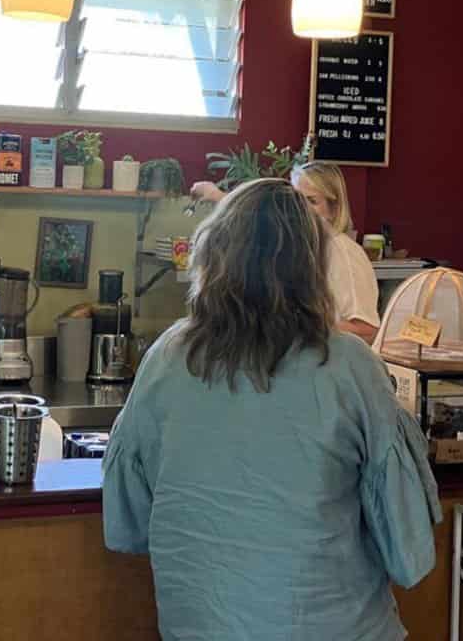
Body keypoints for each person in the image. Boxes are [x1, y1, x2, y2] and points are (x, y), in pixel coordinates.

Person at [103, 178, 440, 641]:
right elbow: (410, 553)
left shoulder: (167, 355)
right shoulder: (351, 366)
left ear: (213, 255)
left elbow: (127, 525)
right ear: (312, 265)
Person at [190, 160, 380, 342]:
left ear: (334, 209)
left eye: (312, 201)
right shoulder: (296, 248)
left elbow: (366, 331)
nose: (300, 211)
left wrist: (303, 325)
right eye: (295, 201)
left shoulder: (344, 252)